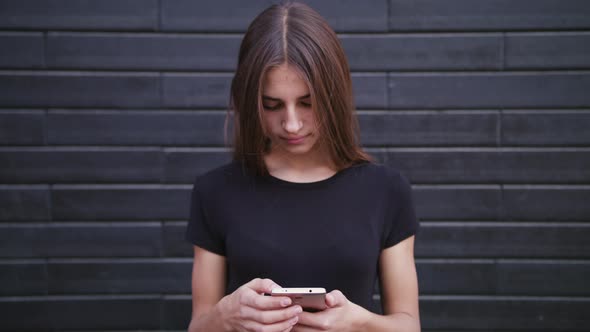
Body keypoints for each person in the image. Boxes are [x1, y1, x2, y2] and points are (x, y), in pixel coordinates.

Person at [185, 2, 420, 331]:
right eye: (272, 105)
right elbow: (198, 325)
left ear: (334, 94)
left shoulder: (386, 190)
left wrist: (358, 323)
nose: (292, 124)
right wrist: (226, 316)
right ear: (250, 102)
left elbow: (409, 325)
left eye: (308, 102)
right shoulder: (215, 191)